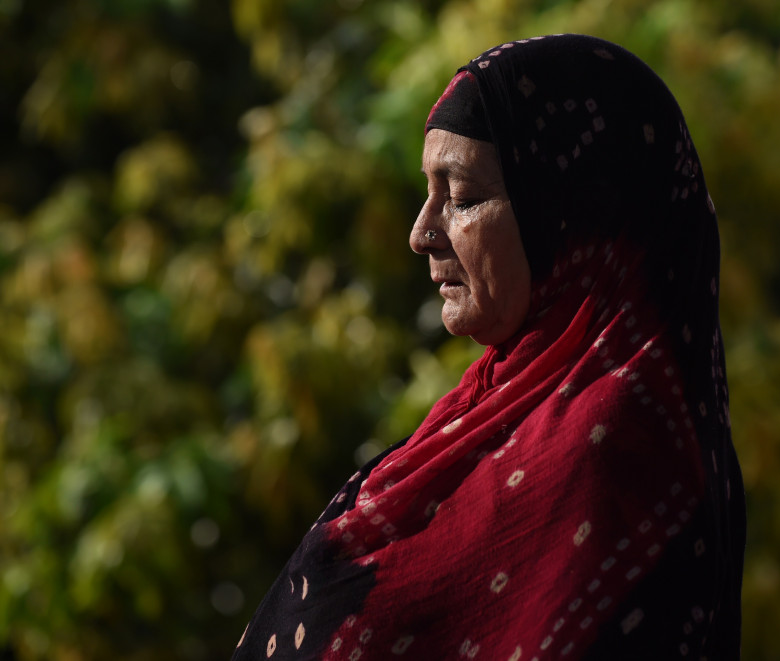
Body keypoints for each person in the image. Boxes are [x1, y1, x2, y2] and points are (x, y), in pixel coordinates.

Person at [231, 34, 745, 660]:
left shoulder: (611, 445)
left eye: (466, 197)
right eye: (429, 193)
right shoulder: (496, 407)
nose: (422, 233)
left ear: (577, 219)